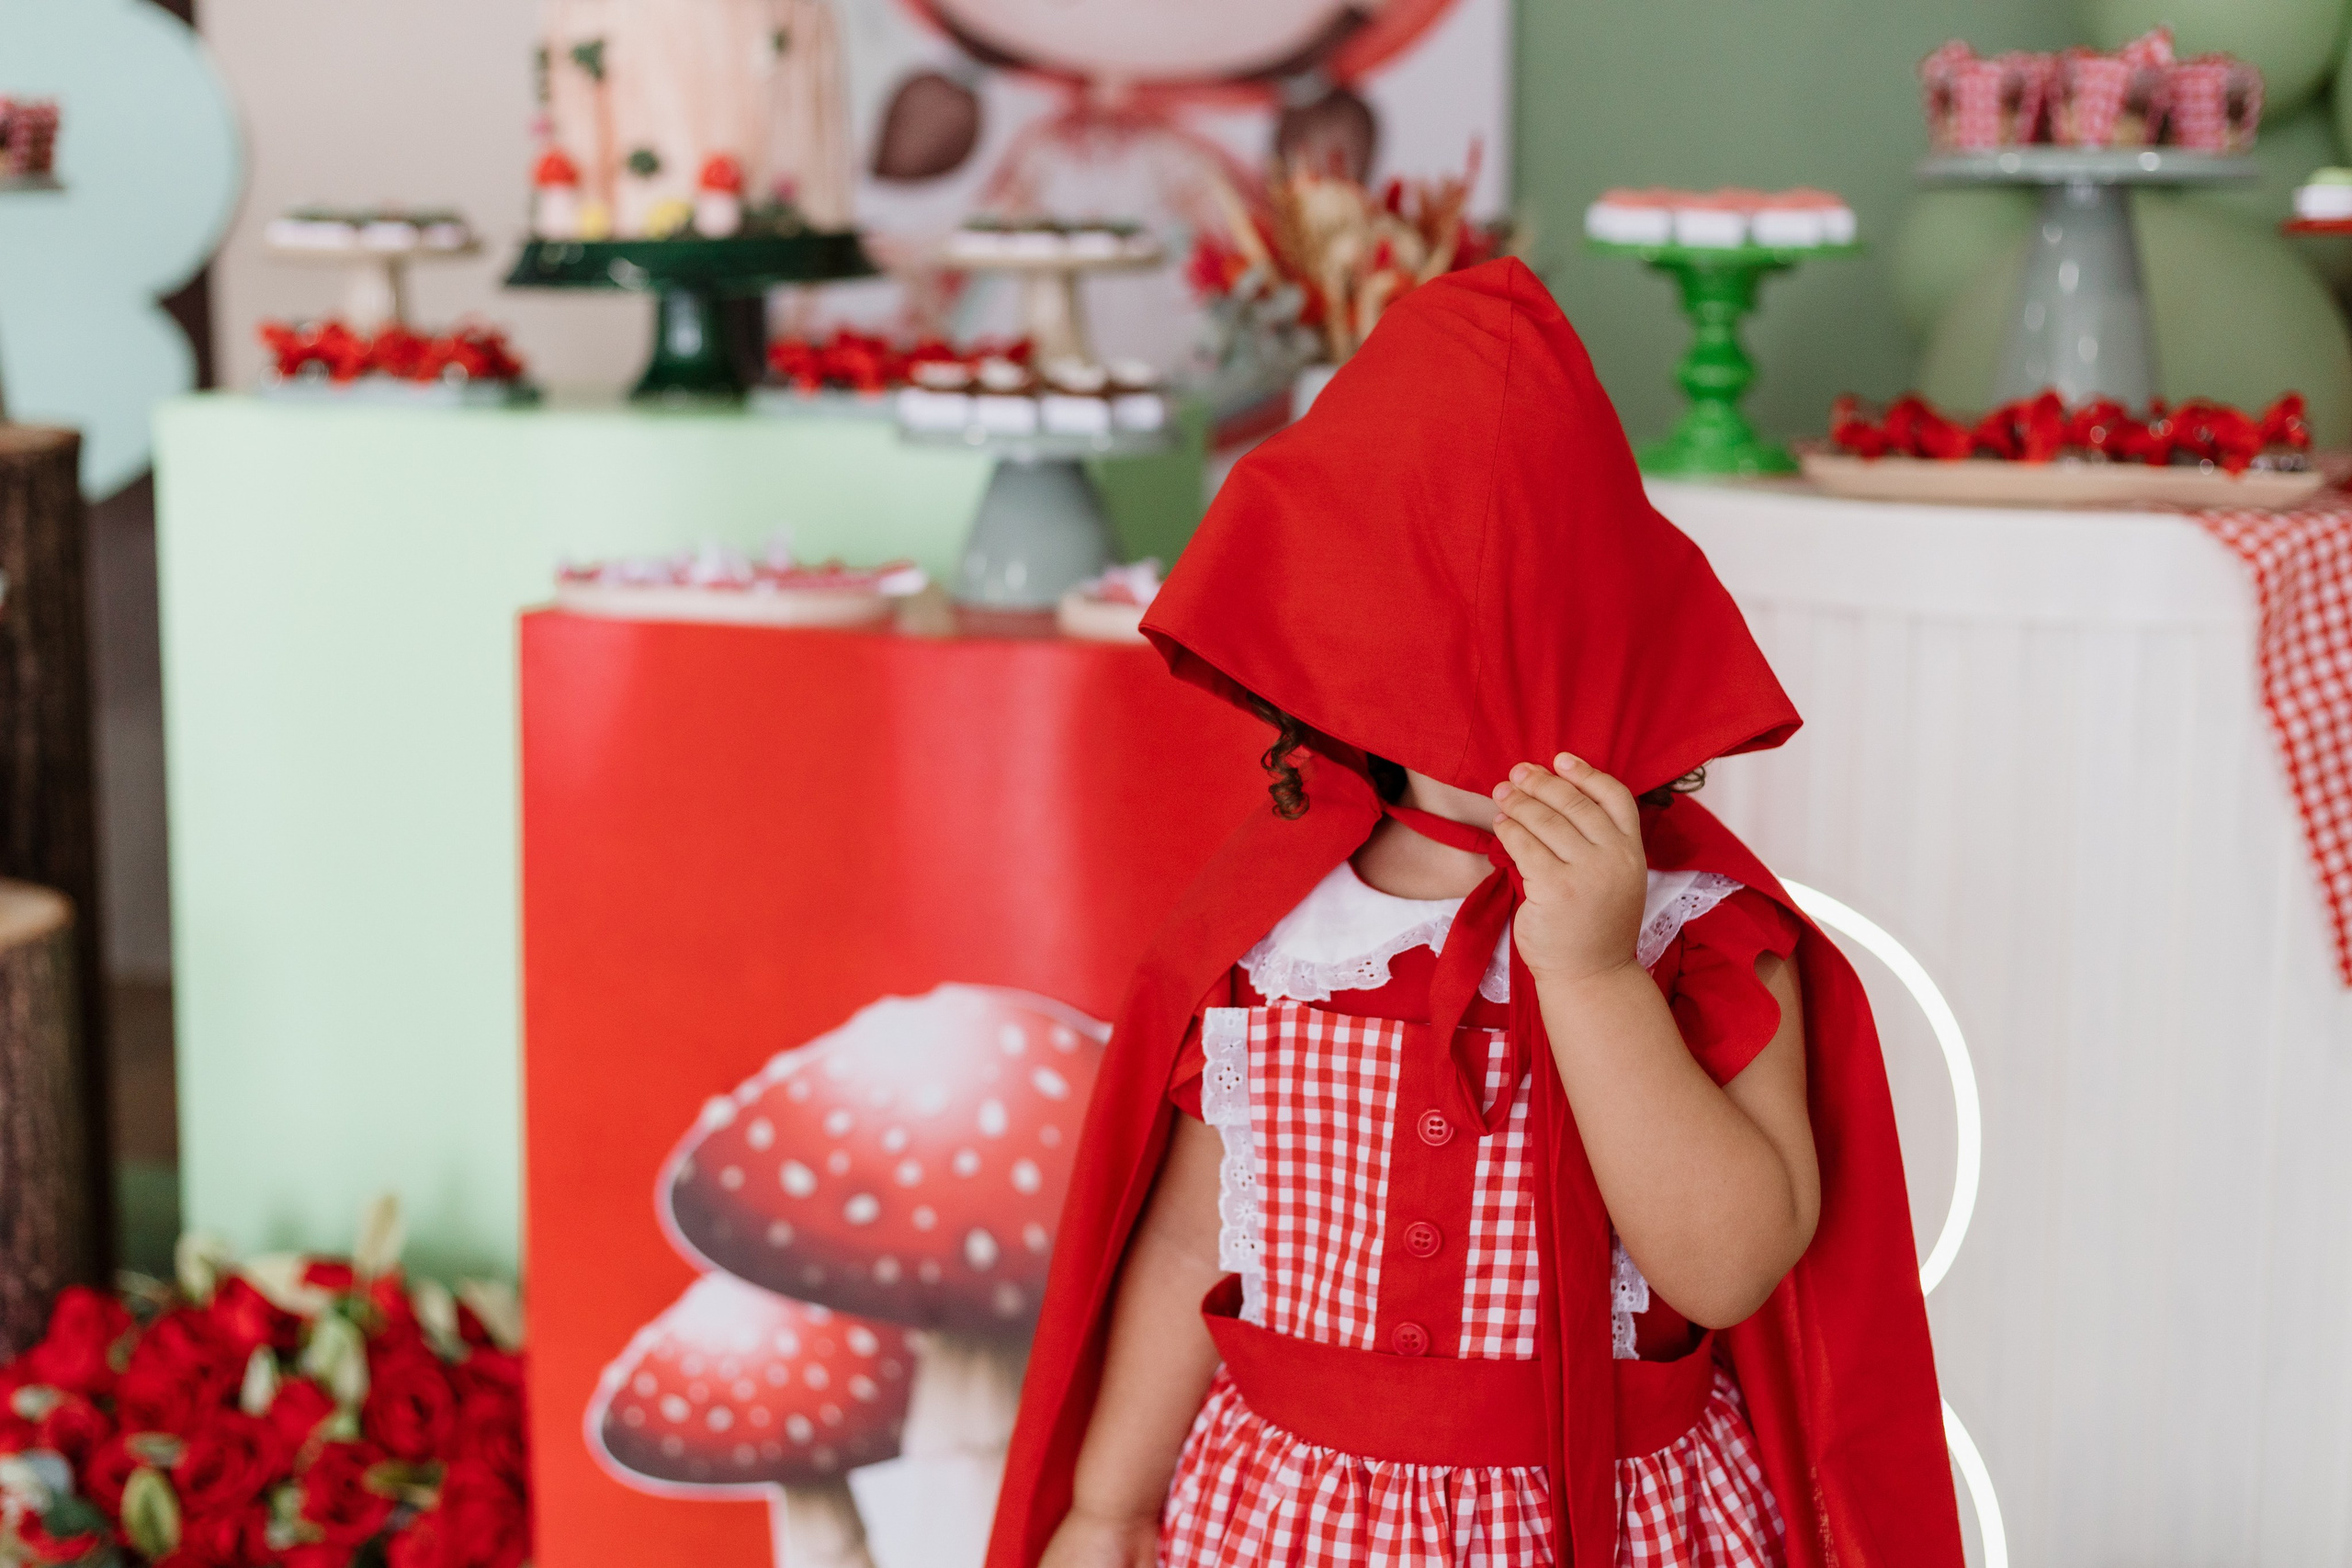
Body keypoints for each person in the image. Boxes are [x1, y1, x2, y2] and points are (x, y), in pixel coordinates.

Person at [986, 257, 1965, 1568]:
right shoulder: (1282, 937)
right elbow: (1182, 1247)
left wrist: (1597, 975)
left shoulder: (1699, 933)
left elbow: (1731, 1267)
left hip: (1596, 1525)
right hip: (1291, 1521)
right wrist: (1108, 1505)